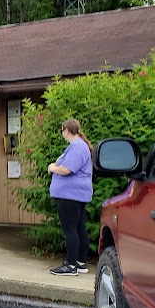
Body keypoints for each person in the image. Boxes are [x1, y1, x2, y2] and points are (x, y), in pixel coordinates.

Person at [48, 118, 93, 276]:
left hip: (70, 195)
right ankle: (80, 262)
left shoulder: (77, 147)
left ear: (66, 130)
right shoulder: (79, 146)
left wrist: (53, 167)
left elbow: (67, 169)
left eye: (62, 130)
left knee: (70, 229)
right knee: (79, 228)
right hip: (75, 194)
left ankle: (71, 265)